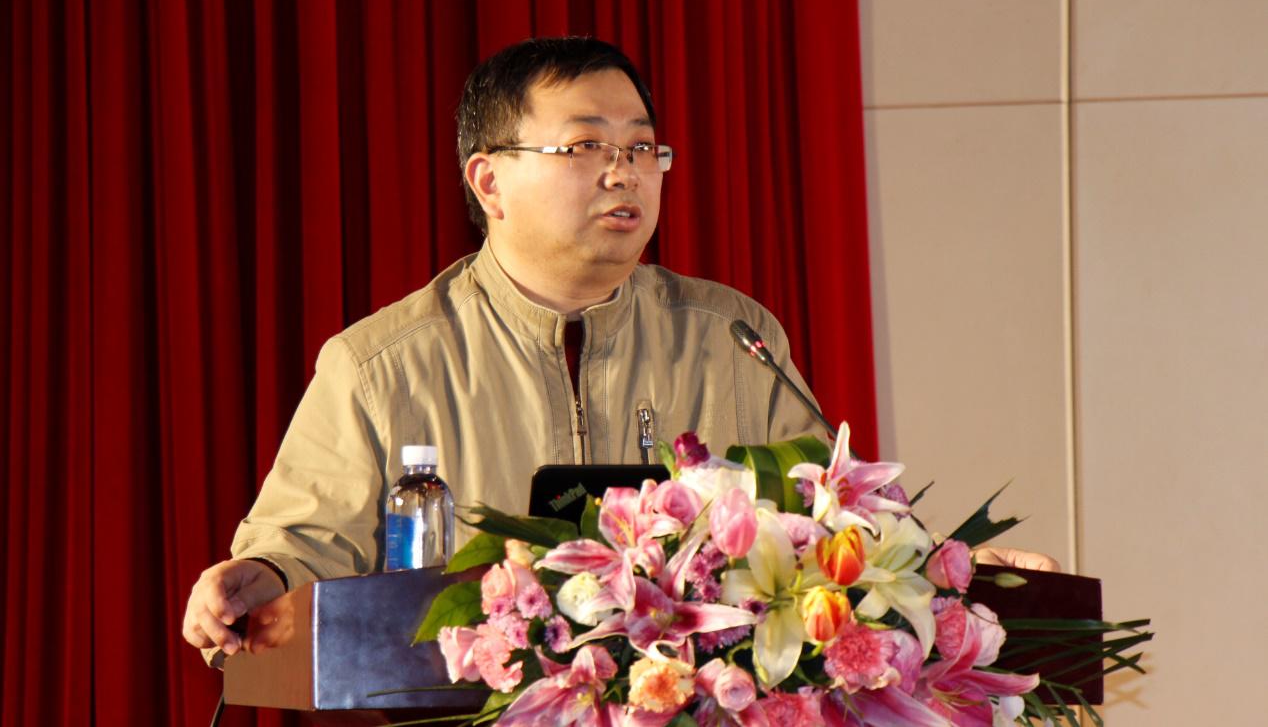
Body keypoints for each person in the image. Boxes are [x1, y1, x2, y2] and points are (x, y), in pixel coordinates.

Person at [182, 37, 1057, 663]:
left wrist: (950, 568)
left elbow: (832, 524)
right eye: (586, 146)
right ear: (489, 180)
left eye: (642, 147)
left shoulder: (730, 336)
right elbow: (304, 546)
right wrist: (257, 575)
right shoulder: (383, 365)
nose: (623, 171)